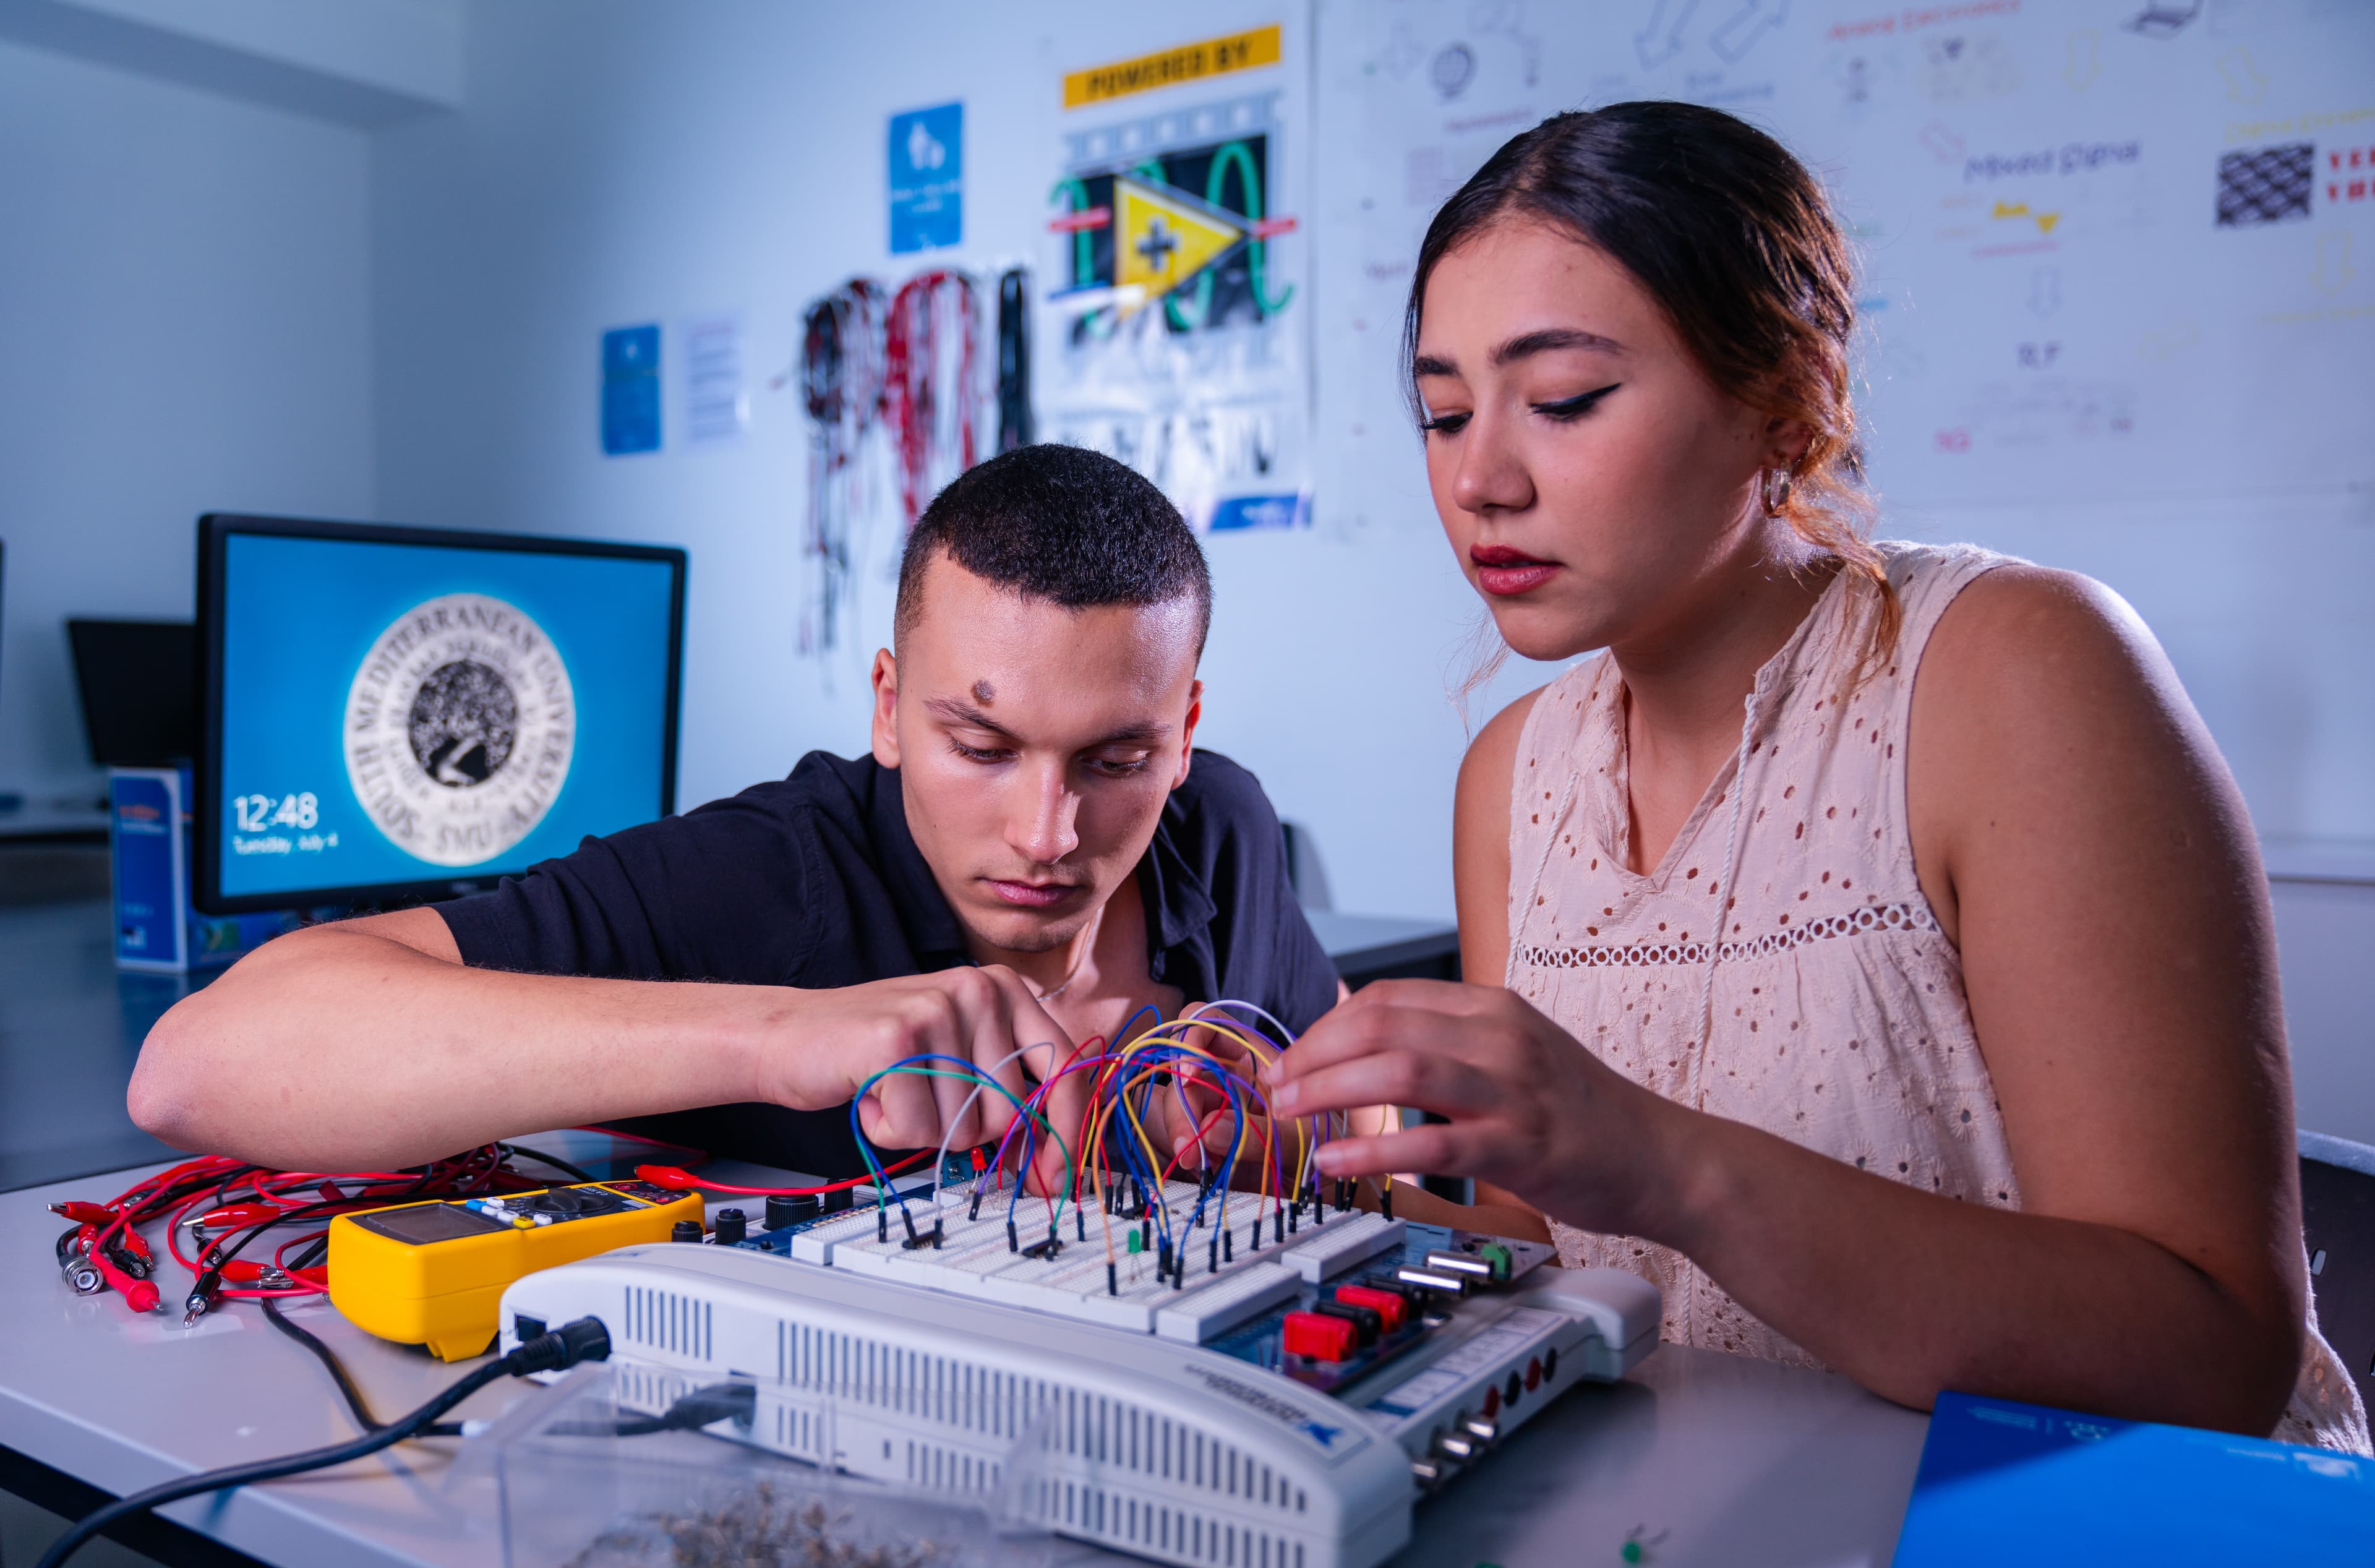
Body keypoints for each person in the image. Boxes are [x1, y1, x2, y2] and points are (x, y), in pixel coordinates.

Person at [1265, 102, 2369, 1450]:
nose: (1479, 477)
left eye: (1562, 401)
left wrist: (1668, 1163)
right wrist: (1303, 1190)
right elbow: (1545, 1249)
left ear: (1785, 401)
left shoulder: (2017, 674)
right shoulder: (1511, 778)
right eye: (1443, 410)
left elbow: (2210, 1355)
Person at [131, 443, 1343, 1179]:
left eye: (1115, 759)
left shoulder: (1221, 828)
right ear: (887, 707)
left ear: (1182, 735)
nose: (1045, 832)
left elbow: (1349, 1106)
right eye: (977, 744)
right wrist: (780, 1040)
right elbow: (192, 1067)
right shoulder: (762, 878)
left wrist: (1298, 1144)